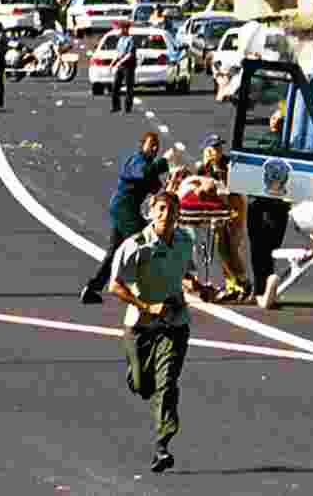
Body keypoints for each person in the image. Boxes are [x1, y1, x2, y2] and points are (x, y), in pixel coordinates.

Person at [108, 190, 202, 473]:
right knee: (142, 385)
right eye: (161, 209)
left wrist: (196, 286)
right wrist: (147, 306)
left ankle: (163, 446)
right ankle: (136, 376)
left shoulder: (185, 241)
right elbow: (116, 286)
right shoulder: (135, 246)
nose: (167, 215)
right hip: (140, 326)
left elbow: (186, 273)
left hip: (174, 323)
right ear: (151, 211)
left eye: (172, 210)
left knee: (167, 383)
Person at [80, 131, 173, 304]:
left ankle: (92, 289)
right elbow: (144, 174)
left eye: (157, 145)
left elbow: (155, 188)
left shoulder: (149, 165)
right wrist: (163, 162)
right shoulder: (136, 161)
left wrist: (172, 178)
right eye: (151, 144)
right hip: (124, 209)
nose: (154, 148)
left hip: (126, 210)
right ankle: (150, 290)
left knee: (114, 252)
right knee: (147, 242)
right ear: (142, 145)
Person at [175, 134, 251, 303]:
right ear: (206, 150)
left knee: (231, 249)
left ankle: (243, 283)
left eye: (218, 147)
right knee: (222, 251)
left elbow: (231, 188)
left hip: (233, 212)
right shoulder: (204, 168)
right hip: (216, 216)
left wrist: (217, 174)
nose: (217, 151)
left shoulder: (229, 165)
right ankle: (232, 285)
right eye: (213, 148)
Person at [247, 109, 291, 309]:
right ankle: (260, 288)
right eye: (273, 118)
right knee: (264, 249)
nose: (275, 122)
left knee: (263, 249)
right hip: (268, 203)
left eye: (279, 119)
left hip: (268, 203)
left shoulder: (278, 142)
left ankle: (261, 289)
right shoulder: (288, 143)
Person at [111, 21, 137, 114]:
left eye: (121, 28)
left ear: (126, 29)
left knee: (129, 87)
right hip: (120, 66)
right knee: (115, 86)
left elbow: (130, 54)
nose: (119, 30)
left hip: (129, 67)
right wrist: (113, 63)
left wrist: (120, 62)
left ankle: (127, 108)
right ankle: (116, 106)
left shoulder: (131, 39)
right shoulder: (120, 39)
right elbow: (118, 54)